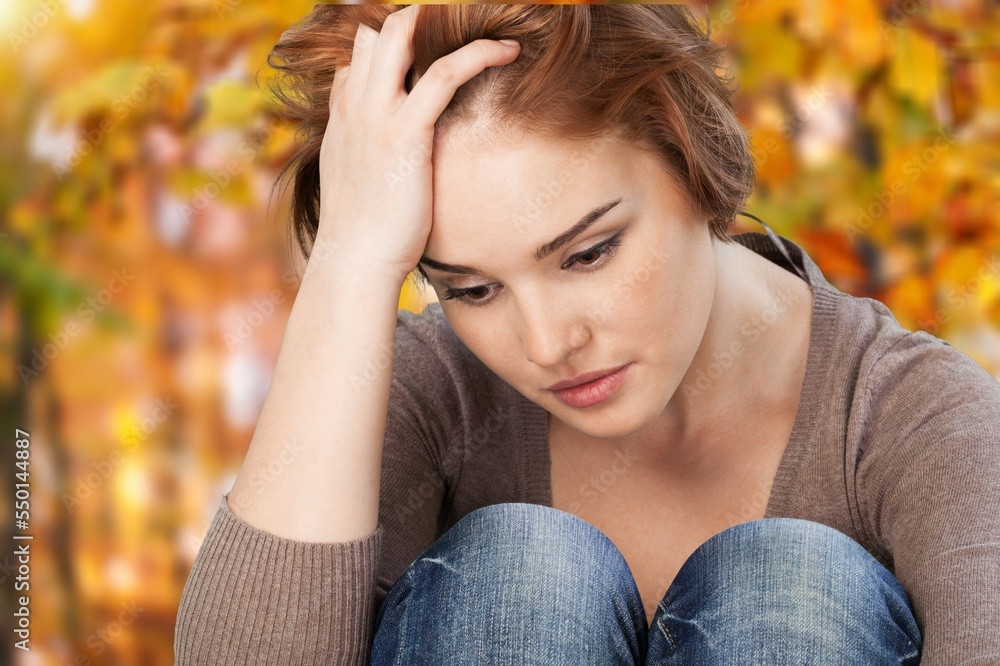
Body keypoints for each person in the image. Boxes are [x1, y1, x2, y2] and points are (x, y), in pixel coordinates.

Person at [173, 4, 1000, 664]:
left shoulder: (917, 419)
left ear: (695, 159)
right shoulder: (436, 392)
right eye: (472, 289)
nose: (545, 345)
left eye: (588, 253)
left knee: (787, 586)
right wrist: (349, 264)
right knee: (523, 571)